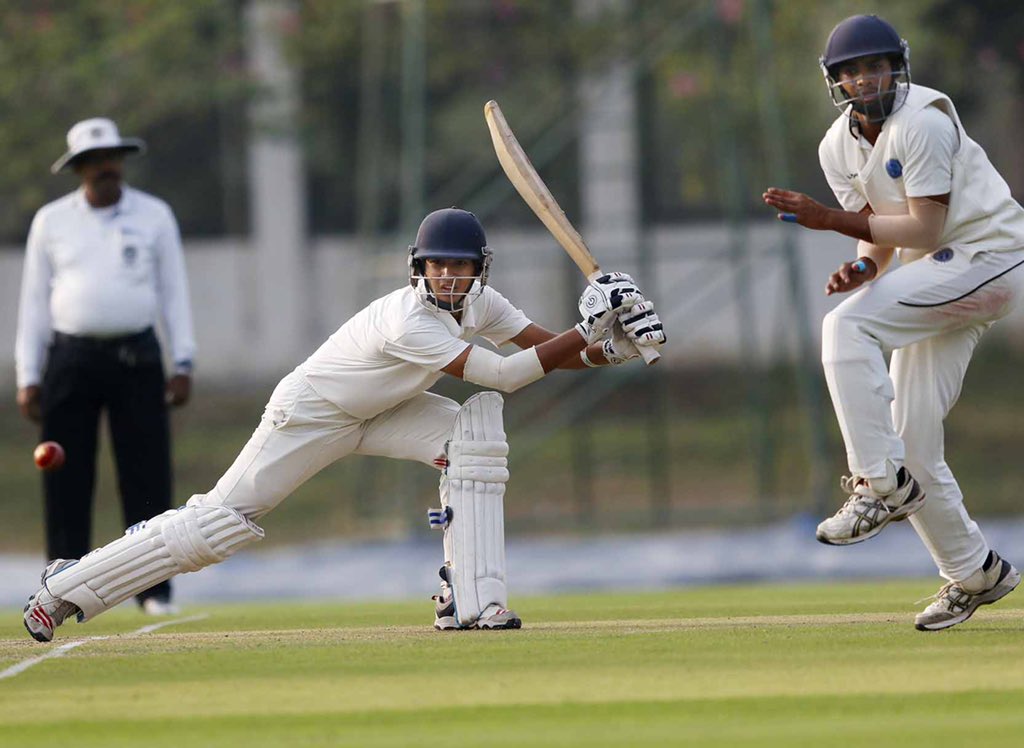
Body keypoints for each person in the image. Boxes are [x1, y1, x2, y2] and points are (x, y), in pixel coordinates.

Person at [22, 207, 666, 642]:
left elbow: (548, 354)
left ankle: (473, 600)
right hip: (312, 414)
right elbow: (505, 372)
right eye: (435, 264)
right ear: (419, 268)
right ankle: (67, 586)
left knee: (474, 435)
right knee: (217, 524)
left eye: (458, 265)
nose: (446, 275)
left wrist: (612, 342)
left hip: (385, 409)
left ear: (478, 269)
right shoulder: (408, 318)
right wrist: (587, 327)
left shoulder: (482, 303)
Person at [763, 14, 1024, 630]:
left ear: (896, 67)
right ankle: (974, 571)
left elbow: (925, 228)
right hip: (939, 275)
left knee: (845, 329)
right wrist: (861, 269)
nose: (865, 79)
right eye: (851, 72)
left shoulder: (924, 122)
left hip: (990, 258)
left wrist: (828, 221)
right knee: (915, 442)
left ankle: (876, 483)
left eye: (875, 66)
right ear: (836, 82)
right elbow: (882, 235)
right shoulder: (836, 146)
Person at [15, 117, 196, 617]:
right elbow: (33, 303)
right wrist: (27, 375)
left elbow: (173, 292)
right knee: (66, 475)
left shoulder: (154, 215)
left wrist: (182, 360)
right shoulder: (52, 221)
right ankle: (61, 590)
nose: (104, 168)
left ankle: (154, 590)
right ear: (78, 169)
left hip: (137, 357)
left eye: (110, 158)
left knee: (146, 476)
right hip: (70, 359)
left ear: (121, 161)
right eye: (93, 161)